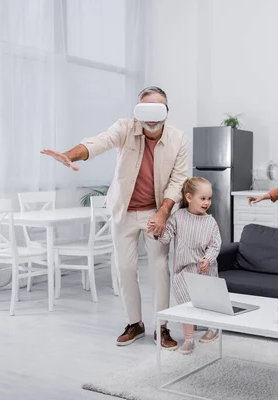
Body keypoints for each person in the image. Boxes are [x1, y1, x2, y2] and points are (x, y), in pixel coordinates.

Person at [41, 86, 188, 348]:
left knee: (159, 268)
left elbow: (178, 180)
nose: (151, 118)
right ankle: (135, 323)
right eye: (146, 110)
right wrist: (69, 155)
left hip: (157, 212)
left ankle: (162, 327)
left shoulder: (179, 139)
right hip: (124, 211)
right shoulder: (125, 128)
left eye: (158, 109)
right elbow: (99, 142)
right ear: (137, 111)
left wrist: (164, 212)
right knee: (126, 268)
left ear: (167, 111)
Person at [156, 177, 222, 355]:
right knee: (186, 305)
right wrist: (157, 232)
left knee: (207, 303)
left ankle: (212, 328)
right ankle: (189, 339)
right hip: (183, 271)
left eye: (209, 198)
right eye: (203, 198)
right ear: (189, 197)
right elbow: (167, 237)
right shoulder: (178, 217)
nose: (207, 202)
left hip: (205, 270)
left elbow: (215, 245)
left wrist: (207, 259)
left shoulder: (210, 222)